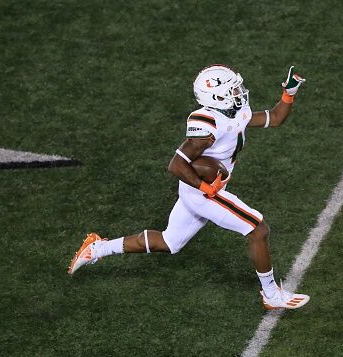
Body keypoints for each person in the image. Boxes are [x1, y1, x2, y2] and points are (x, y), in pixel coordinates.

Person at [67, 64, 309, 310]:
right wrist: (207, 187)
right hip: (201, 191)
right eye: (233, 90)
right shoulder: (208, 123)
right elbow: (177, 164)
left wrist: (289, 93)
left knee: (169, 242)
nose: (240, 93)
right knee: (258, 229)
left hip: (202, 189)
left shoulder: (237, 112)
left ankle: (97, 248)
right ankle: (271, 294)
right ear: (216, 96)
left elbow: (275, 118)